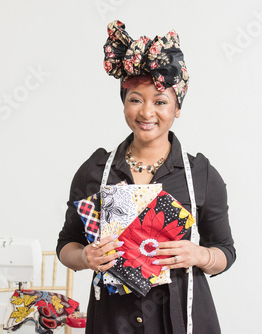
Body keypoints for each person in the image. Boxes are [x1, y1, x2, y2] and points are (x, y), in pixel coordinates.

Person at [57, 20, 236, 334]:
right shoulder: (96, 171)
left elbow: (225, 251)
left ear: (177, 107)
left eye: (161, 101)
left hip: (181, 321)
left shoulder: (200, 176)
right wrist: (86, 256)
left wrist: (200, 255)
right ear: (124, 103)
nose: (146, 113)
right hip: (113, 322)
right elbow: (66, 246)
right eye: (135, 99)